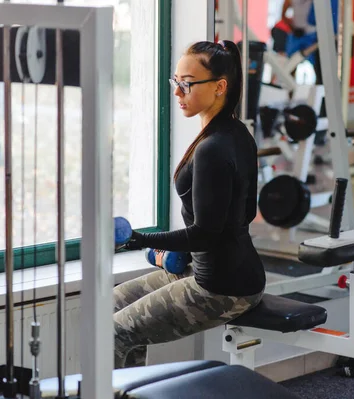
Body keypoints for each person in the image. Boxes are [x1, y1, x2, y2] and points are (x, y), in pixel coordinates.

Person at [112, 40, 266, 369]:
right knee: (106, 307)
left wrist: (139, 239)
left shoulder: (214, 147)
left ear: (219, 87)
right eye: (176, 82)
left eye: (187, 84)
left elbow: (205, 235)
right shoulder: (236, 133)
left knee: (113, 332)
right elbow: (241, 215)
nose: (178, 92)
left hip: (224, 288)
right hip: (208, 271)